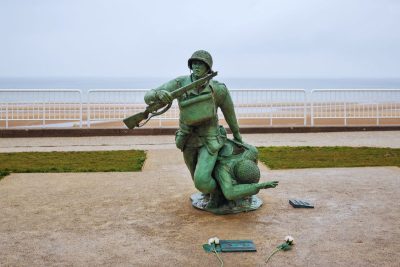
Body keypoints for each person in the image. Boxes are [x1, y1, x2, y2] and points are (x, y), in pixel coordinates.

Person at [144, 50, 242, 196]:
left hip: (210, 140)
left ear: (208, 68)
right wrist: (158, 94)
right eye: (194, 63)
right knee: (195, 179)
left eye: (201, 64)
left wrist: (237, 134)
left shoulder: (218, 89)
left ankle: (221, 194)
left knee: (201, 181)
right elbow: (148, 96)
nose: (197, 67)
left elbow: (230, 114)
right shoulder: (180, 83)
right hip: (187, 139)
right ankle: (217, 193)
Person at [212, 139, 279, 203]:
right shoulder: (222, 169)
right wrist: (259, 186)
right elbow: (229, 193)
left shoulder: (252, 152)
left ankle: (245, 191)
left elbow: (249, 148)